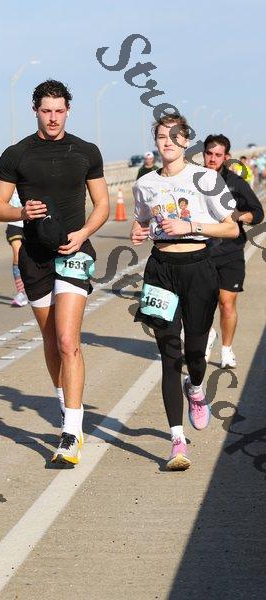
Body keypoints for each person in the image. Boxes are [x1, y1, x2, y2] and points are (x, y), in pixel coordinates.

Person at [0, 79, 109, 465]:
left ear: (68, 111)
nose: (53, 118)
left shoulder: (86, 151)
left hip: (74, 253)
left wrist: (84, 234)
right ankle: (64, 402)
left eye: (59, 111)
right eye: (46, 111)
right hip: (35, 257)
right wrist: (21, 212)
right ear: (35, 111)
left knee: (68, 340)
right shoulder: (17, 154)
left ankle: (71, 433)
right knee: (51, 340)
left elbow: (102, 204)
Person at [131, 114, 239, 471]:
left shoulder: (205, 178)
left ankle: (195, 387)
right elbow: (141, 220)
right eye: (162, 136)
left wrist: (189, 224)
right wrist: (138, 231)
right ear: (155, 140)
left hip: (198, 268)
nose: (168, 142)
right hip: (160, 269)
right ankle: (177, 441)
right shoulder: (145, 184)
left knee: (194, 352)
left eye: (175, 136)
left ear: (186, 141)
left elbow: (231, 229)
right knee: (169, 355)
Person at [203, 134, 264, 367]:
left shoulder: (236, 183)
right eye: (209, 153)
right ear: (204, 154)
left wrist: (239, 215)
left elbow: (257, 213)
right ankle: (207, 335)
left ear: (226, 157)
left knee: (226, 303)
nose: (212, 158)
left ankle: (226, 350)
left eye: (218, 155)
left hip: (231, 252)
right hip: (202, 252)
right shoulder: (194, 180)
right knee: (202, 304)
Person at [5, 190, 28, 306]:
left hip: (32, 222)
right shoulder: (7, 182)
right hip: (14, 224)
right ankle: (21, 293)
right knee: (17, 255)